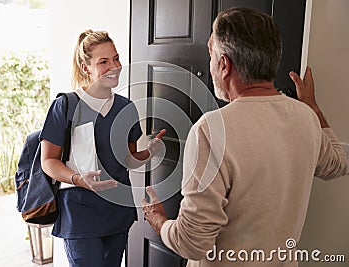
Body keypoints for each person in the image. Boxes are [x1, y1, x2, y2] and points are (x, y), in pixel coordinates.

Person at [142, 7, 348, 267]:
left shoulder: (211, 130)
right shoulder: (306, 118)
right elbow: (338, 164)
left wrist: (158, 219)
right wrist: (313, 107)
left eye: (210, 54)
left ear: (224, 64)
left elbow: (193, 243)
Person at [40, 30, 165, 267]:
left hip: (118, 210)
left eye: (116, 59)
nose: (114, 66)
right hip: (80, 211)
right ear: (86, 68)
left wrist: (149, 152)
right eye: (104, 62)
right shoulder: (65, 105)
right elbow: (48, 162)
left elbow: (128, 160)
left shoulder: (126, 108)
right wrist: (78, 179)